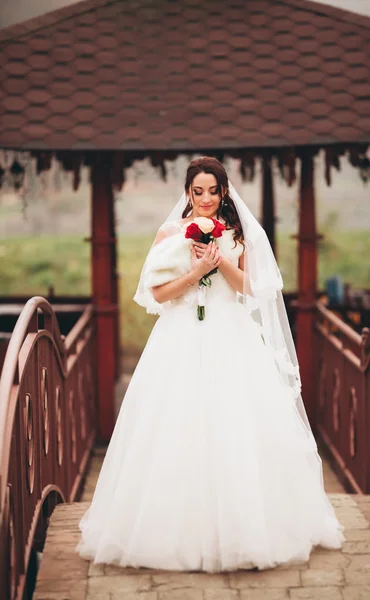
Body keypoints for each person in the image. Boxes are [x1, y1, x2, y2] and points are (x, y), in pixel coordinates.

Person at [76, 156, 345, 572]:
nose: (205, 199)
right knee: (177, 424)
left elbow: (252, 290)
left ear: (223, 192)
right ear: (188, 192)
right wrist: (195, 271)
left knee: (236, 424)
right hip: (180, 337)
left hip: (231, 336)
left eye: (212, 191)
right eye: (197, 191)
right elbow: (158, 295)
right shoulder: (169, 233)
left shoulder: (237, 235)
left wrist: (220, 263)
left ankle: (248, 529)